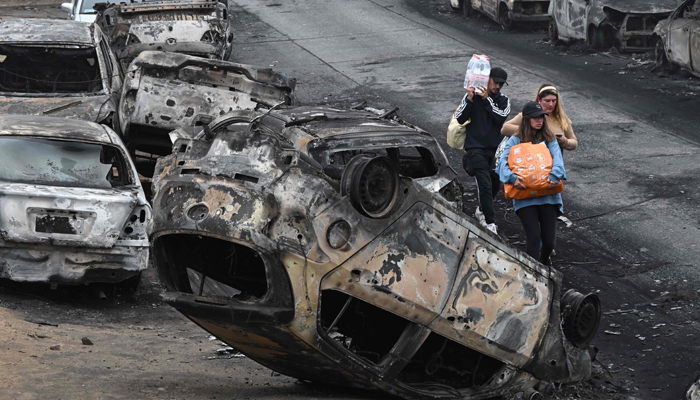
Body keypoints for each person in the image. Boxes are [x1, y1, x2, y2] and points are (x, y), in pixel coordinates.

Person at [497, 102, 566, 266]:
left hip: (548, 195)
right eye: (535, 117)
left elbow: (558, 159)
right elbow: (501, 164)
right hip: (525, 197)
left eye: (541, 116)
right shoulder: (515, 140)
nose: (539, 120)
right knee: (534, 237)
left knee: (549, 242)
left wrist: (555, 176)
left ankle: (543, 261)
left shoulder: (549, 139)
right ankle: (533, 274)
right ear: (527, 119)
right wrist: (513, 179)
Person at [454, 67, 511, 235]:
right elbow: (460, 118)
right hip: (475, 147)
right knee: (484, 184)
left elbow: (501, 117)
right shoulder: (472, 96)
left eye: (501, 84)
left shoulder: (503, 100)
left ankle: (481, 210)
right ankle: (490, 222)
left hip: (495, 149)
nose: (498, 86)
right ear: (487, 79)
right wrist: (471, 99)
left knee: (494, 185)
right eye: (495, 82)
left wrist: (487, 100)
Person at [501, 84, 577, 152]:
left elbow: (574, 143)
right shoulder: (528, 115)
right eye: (547, 101)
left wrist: (564, 141)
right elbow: (505, 129)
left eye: (554, 101)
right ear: (539, 99)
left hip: (553, 163)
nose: (551, 104)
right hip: (529, 161)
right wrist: (531, 131)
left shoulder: (562, 119)